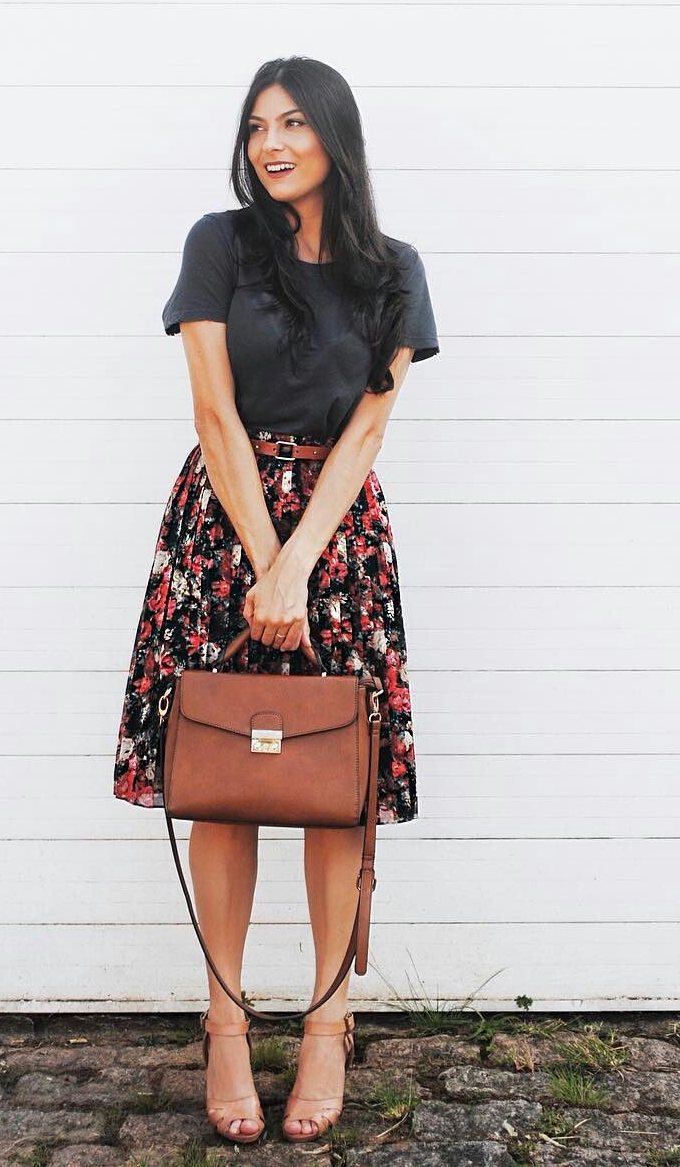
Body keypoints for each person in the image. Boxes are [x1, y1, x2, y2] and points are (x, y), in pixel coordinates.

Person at [112, 56, 440, 1145]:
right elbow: (214, 410)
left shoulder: (396, 270)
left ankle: (327, 1022)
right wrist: (265, 556)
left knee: (330, 779)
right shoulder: (221, 243)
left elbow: (368, 433)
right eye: (257, 125)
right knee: (228, 773)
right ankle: (221, 1018)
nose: (272, 142)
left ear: (336, 136)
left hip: (339, 544)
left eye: (294, 122)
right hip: (224, 522)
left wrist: (302, 564)